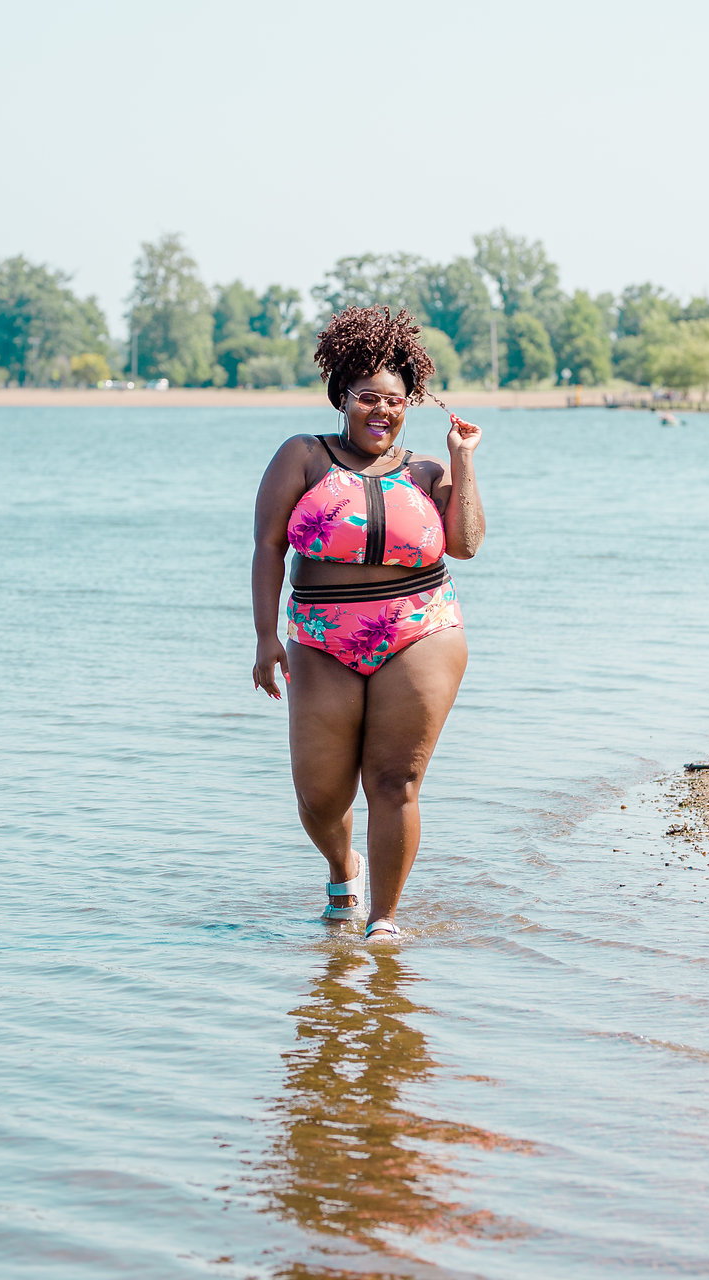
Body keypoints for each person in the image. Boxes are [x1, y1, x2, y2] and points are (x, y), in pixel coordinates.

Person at [251, 307, 484, 941]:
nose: (382, 411)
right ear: (343, 398)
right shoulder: (303, 456)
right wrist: (266, 637)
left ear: (410, 405)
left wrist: (462, 461)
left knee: (395, 780)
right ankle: (341, 867)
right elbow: (268, 546)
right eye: (368, 398)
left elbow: (466, 545)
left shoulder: (428, 471)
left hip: (421, 628)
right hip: (321, 637)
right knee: (320, 795)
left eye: (395, 401)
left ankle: (383, 921)